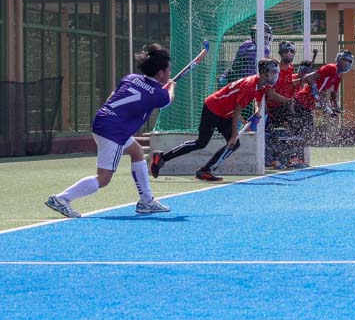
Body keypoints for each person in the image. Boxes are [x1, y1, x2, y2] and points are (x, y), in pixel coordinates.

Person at [45, 44, 176, 218]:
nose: (169, 73)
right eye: (168, 70)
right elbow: (168, 100)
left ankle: (146, 201)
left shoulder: (130, 78)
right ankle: (62, 199)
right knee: (104, 178)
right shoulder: (159, 93)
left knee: (136, 152)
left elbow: (113, 95)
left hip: (101, 121)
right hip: (114, 131)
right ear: (160, 73)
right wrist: (171, 85)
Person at [150, 57, 280, 182]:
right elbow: (236, 112)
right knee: (201, 143)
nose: (275, 75)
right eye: (272, 72)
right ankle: (161, 157)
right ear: (263, 72)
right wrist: (234, 134)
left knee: (234, 144)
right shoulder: (249, 86)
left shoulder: (263, 85)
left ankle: (205, 170)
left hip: (225, 113)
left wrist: (257, 112)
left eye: (276, 72)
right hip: (213, 108)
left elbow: (259, 98)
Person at [264, 41, 297, 167]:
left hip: (284, 107)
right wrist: (287, 101)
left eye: (292, 51)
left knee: (294, 128)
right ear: (280, 53)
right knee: (272, 134)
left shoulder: (291, 69)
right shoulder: (275, 69)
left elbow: (288, 87)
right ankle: (273, 159)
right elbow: (271, 94)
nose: (288, 54)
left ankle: (291, 158)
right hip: (271, 108)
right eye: (285, 51)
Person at [299, 49, 354, 116]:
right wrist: (315, 92)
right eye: (344, 60)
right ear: (339, 59)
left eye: (349, 61)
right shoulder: (332, 67)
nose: (346, 63)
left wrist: (335, 107)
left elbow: (333, 95)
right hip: (301, 100)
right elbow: (311, 77)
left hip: (309, 104)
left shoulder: (338, 77)